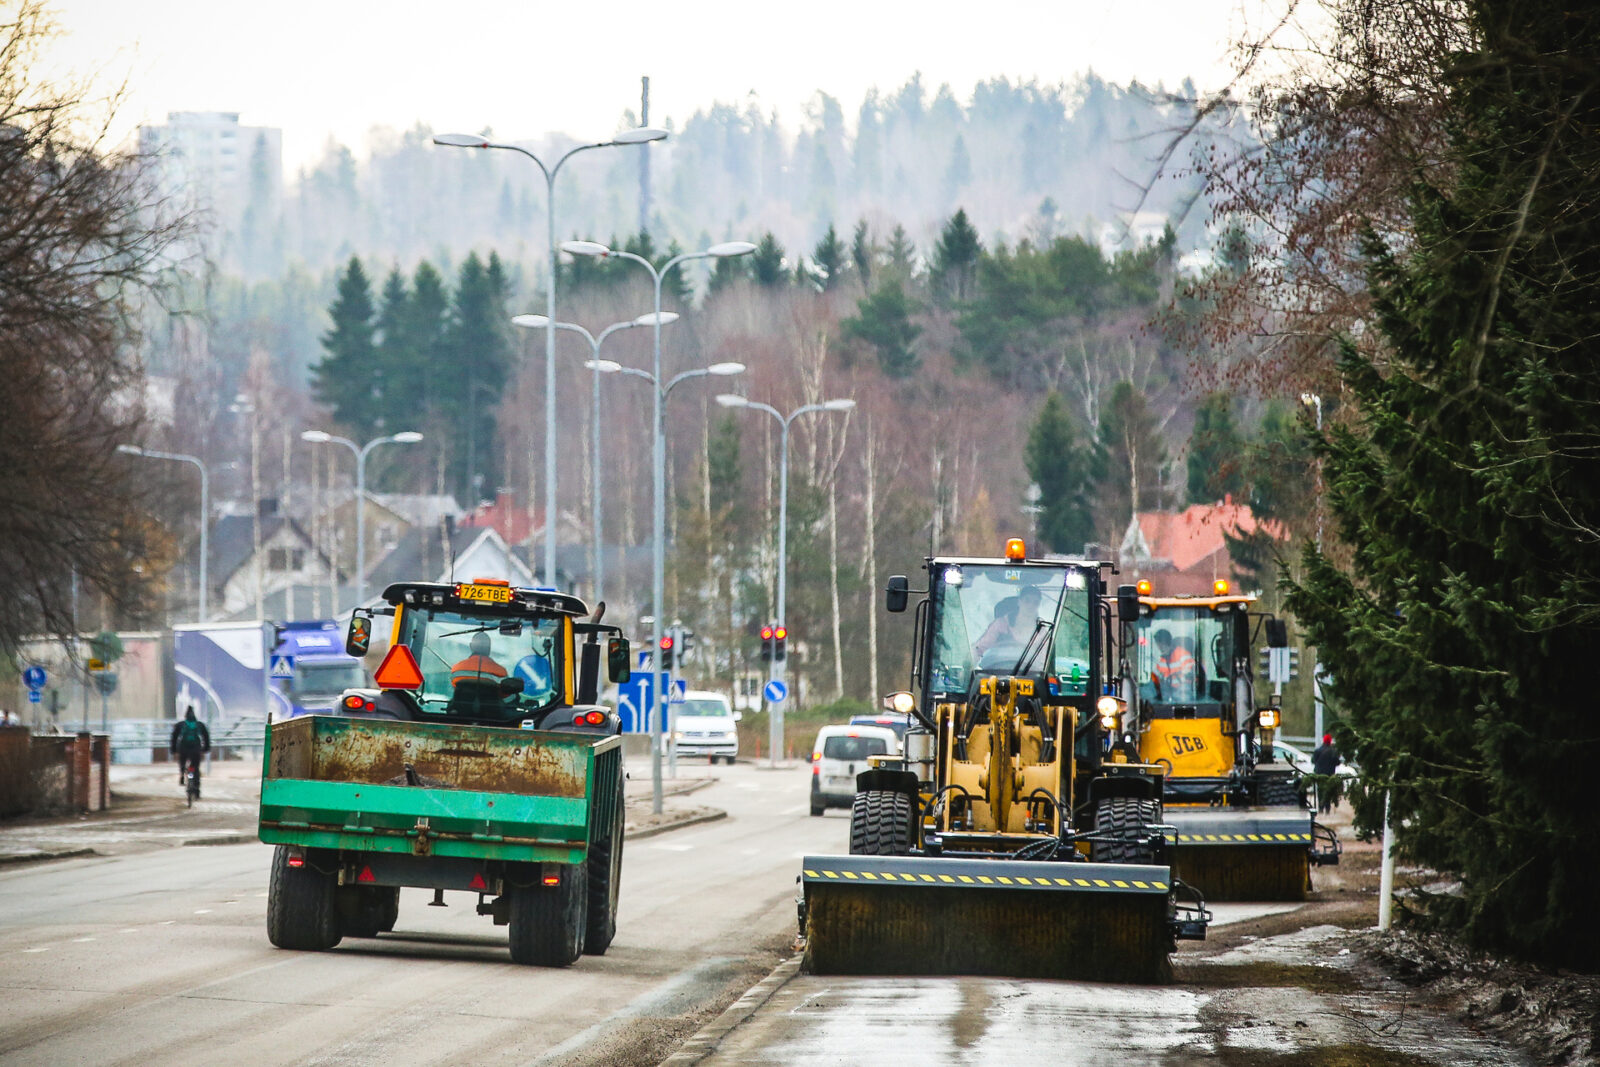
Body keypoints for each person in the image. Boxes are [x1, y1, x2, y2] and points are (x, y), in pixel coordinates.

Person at [973, 585, 1043, 660]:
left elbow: (1044, 660)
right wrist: (969, 664)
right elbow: (979, 649)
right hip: (995, 669)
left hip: (1028, 671)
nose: (1031, 605)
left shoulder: (1042, 632)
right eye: (1027, 600)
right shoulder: (1000, 625)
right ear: (1019, 602)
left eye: (1035, 602)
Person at [170, 706, 211, 796]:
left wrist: (173, 749)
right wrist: (206, 748)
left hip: (183, 748)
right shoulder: (199, 724)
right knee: (195, 767)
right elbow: (206, 737)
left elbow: (174, 737)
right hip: (196, 749)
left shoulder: (181, 725)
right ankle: (196, 788)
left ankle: (182, 774)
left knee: (183, 762)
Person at [1151, 628, 1196, 700]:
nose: (1159, 647)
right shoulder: (1162, 661)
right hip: (1169, 692)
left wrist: (1178, 674)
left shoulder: (1183, 655)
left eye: (1160, 644)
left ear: (1165, 643)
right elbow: (1157, 676)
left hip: (1183, 691)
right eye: (1158, 644)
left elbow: (1190, 673)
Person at [1312, 733, 1341, 813]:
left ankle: (1320, 808)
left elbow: (1313, 761)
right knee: (1328, 791)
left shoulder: (1317, 750)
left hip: (1319, 774)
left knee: (1320, 791)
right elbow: (1338, 763)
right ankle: (1327, 808)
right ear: (1330, 741)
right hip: (1330, 775)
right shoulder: (1333, 751)